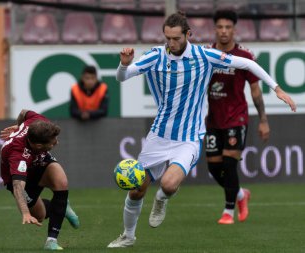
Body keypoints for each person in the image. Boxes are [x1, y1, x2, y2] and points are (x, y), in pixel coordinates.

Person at [107, 11, 296, 248]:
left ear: (188, 34)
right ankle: (128, 235)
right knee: (136, 189)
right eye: (167, 38)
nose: (171, 43)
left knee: (168, 184)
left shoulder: (204, 55)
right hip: (159, 136)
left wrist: (276, 88)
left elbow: (247, 63)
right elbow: (122, 77)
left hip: (189, 139)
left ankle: (162, 200)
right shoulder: (156, 55)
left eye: (176, 38)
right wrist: (123, 66)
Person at [205, 10, 269, 225]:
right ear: (215, 29)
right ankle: (241, 194)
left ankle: (228, 211)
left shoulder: (244, 56)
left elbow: (255, 90)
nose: (224, 31)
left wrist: (263, 120)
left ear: (234, 29)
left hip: (236, 117)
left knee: (229, 164)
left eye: (228, 27)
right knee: (214, 166)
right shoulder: (207, 53)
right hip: (213, 119)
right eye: (220, 27)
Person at [0, 109, 80, 250]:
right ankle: (61, 206)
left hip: (40, 161)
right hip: (22, 176)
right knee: (39, 215)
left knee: (61, 182)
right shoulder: (18, 154)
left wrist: (19, 125)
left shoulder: (39, 122)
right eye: (52, 142)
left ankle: (51, 241)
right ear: (38, 145)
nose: (56, 143)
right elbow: (18, 185)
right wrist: (25, 213)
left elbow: (24, 112)